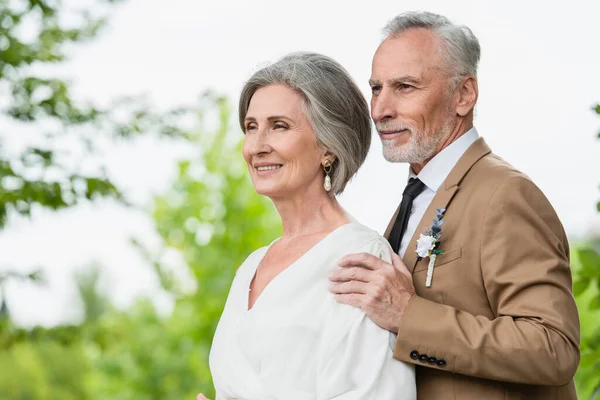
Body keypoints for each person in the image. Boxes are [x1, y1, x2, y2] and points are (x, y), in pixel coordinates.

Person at [328, 11, 580, 400]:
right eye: (377, 88)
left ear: (464, 95)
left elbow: (552, 347)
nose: (380, 109)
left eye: (405, 87)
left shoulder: (505, 194)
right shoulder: (416, 197)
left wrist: (408, 315)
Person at [202, 52, 416, 399]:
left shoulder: (361, 258)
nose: (257, 146)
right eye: (250, 127)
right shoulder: (250, 268)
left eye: (279, 126)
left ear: (328, 147)